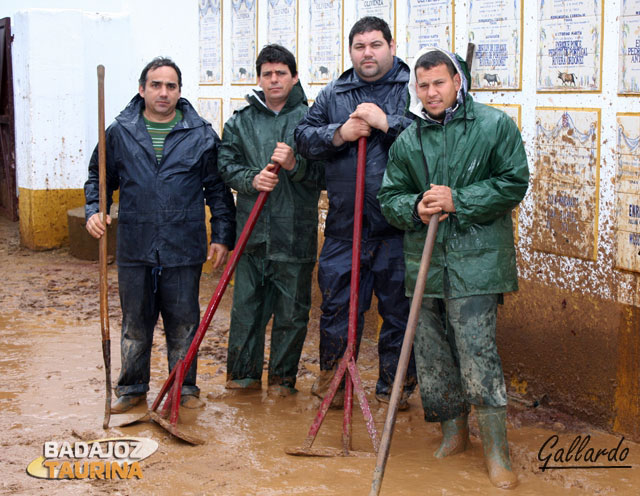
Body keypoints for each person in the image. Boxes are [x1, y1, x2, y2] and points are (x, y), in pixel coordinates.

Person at [377, 47, 529, 489]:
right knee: (432, 356)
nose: (430, 92)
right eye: (422, 86)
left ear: (457, 82)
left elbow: (513, 182)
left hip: (477, 263)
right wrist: (416, 206)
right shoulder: (409, 139)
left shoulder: (493, 126)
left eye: (439, 83)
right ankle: (453, 434)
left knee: (478, 354)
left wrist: (459, 200)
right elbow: (390, 199)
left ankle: (497, 451)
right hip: (423, 265)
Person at [84, 57, 236, 413]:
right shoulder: (120, 132)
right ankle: (132, 389)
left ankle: (183, 389)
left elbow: (217, 189)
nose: (163, 92)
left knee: (183, 322)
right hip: (135, 245)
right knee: (136, 323)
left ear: (180, 92)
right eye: (156, 85)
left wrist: (222, 235)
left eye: (171, 86)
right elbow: (99, 177)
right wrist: (95, 210)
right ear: (142, 89)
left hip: (183, 246)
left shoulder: (200, 135)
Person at [295, 17, 416, 409]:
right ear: (351, 51)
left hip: (398, 229)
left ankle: (393, 391)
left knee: (399, 312)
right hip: (345, 228)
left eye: (376, 45)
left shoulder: (412, 89)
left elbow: (432, 136)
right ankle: (335, 383)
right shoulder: (335, 93)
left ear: (391, 46)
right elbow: (302, 137)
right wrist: (339, 134)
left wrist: (387, 124)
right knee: (336, 310)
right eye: (360, 46)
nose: (368, 53)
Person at [218, 45, 321, 396]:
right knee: (246, 310)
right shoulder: (241, 120)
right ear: (259, 79)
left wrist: (296, 165)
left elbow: (325, 174)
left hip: (295, 234)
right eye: (267, 74)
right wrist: (251, 179)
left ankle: (282, 381)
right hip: (252, 234)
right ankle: (242, 379)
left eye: (281, 73)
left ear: (294, 76)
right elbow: (226, 164)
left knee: (292, 315)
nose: (274, 79)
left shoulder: (312, 120)